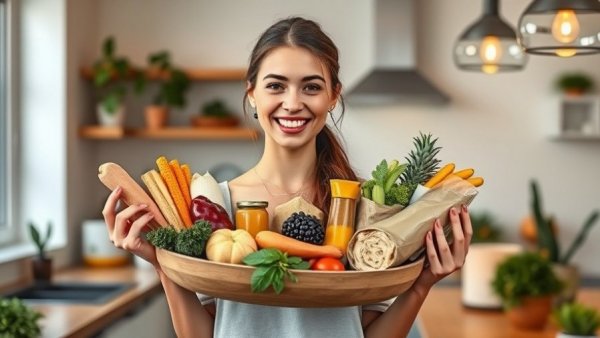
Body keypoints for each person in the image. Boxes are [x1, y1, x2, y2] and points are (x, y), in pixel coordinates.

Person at [103, 17, 472, 338]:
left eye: (311, 87)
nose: (293, 103)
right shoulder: (216, 205)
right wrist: (161, 261)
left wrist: (421, 284)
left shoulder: (363, 209)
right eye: (276, 86)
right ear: (251, 95)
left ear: (332, 97)